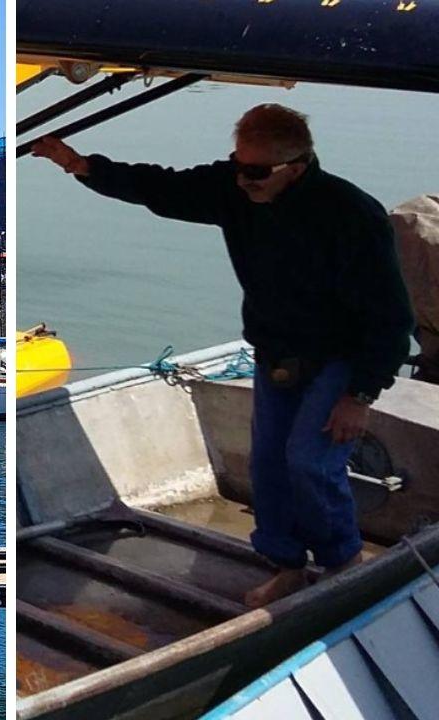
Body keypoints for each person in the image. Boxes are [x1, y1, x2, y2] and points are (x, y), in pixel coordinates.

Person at [32, 104, 414, 607]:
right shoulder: (234, 188)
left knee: (309, 462)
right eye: (237, 164)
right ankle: (287, 565)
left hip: (340, 358)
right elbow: (161, 188)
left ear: (295, 168)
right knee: (269, 464)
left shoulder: (351, 215)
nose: (243, 179)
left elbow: (391, 317)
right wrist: (80, 165)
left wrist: (361, 393)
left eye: (256, 172)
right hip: (276, 352)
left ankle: (342, 563)